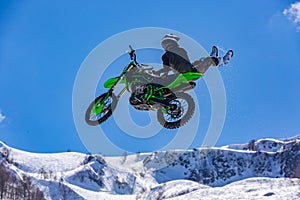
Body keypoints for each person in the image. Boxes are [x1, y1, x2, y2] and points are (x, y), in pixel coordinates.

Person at [153, 34, 233, 76]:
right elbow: (166, 68)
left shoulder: (176, 51)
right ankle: (221, 61)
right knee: (204, 61)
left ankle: (211, 59)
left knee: (199, 61)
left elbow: (167, 68)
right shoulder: (175, 52)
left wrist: (161, 72)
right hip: (185, 74)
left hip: (186, 72)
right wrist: (161, 72)